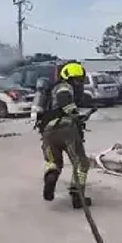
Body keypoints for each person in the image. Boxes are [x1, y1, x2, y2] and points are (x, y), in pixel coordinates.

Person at [35, 61, 93, 208]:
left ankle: (51, 176)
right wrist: (75, 114)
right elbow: (64, 99)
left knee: (53, 162)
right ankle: (77, 196)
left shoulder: (50, 92)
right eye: (77, 80)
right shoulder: (64, 87)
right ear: (70, 78)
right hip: (66, 129)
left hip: (48, 131)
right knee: (81, 162)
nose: (79, 83)